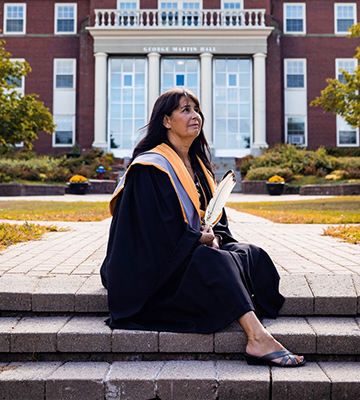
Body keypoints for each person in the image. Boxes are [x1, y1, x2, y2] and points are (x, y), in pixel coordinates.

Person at [100, 88, 305, 367]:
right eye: (185, 110)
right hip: (150, 270)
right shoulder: (150, 167)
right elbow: (154, 231)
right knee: (213, 261)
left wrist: (215, 236)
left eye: (196, 110)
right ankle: (256, 338)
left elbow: (214, 218)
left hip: (189, 250)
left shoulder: (198, 167)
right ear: (166, 121)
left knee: (250, 253)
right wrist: (198, 240)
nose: (195, 115)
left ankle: (237, 302)